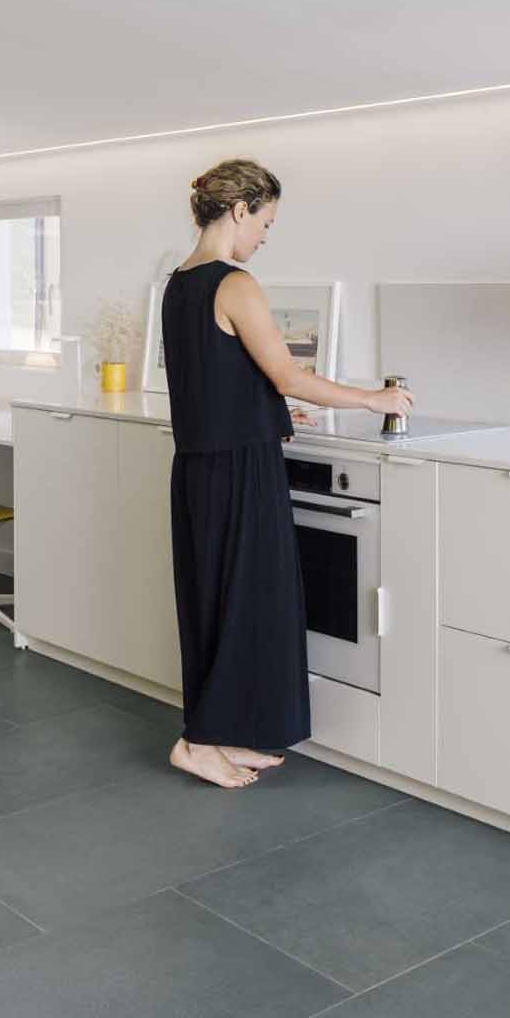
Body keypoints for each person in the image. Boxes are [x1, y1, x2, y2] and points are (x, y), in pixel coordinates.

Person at [160, 158, 413, 791]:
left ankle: (220, 735)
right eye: (266, 222)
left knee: (215, 601)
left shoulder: (178, 281)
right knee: (244, 599)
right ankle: (196, 742)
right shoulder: (235, 282)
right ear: (240, 210)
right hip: (239, 470)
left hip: (198, 467)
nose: (265, 236)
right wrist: (372, 399)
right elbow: (288, 373)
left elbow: (213, 376)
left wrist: (268, 407)